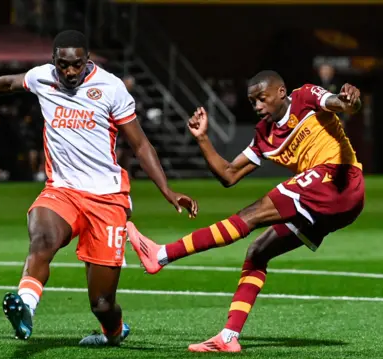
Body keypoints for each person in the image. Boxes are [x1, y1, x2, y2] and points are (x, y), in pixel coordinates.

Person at [0, 30, 197, 346]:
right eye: (63, 65)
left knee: (102, 304)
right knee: (42, 240)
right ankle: (26, 309)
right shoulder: (42, 78)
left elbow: (140, 145)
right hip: (62, 191)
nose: (70, 72)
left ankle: (114, 331)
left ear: (87, 60)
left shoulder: (111, 88)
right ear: (53, 61)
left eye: (76, 65)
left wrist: (166, 189)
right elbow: (7, 82)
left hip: (107, 199)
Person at [126, 70, 364, 352]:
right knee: (258, 252)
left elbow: (343, 104)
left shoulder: (305, 97)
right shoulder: (264, 135)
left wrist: (351, 99)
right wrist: (202, 138)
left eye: (262, 99)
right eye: (252, 102)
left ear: (280, 92)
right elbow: (228, 175)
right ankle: (228, 337)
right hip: (327, 202)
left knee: (252, 214)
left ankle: (162, 255)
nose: (258, 107)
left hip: (340, 178)